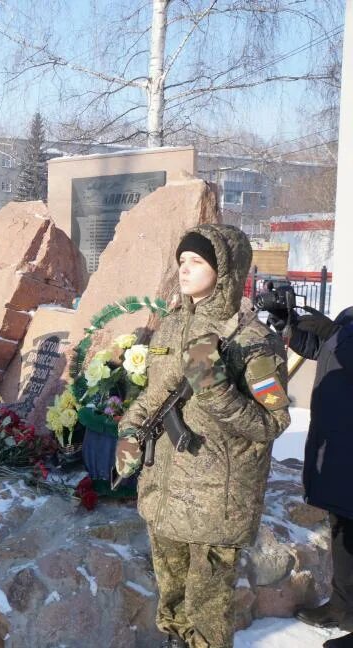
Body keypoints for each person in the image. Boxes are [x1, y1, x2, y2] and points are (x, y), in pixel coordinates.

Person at [114, 224, 291, 648]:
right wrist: (130, 430)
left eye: (196, 262)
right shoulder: (173, 327)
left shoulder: (253, 341)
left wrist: (215, 392)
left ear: (225, 269)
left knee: (207, 613)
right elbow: (156, 394)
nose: (185, 270)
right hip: (164, 493)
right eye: (181, 262)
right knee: (171, 603)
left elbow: (273, 423)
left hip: (217, 505)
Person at [274, 306, 353, 647]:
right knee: (343, 531)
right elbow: (327, 352)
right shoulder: (349, 317)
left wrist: (335, 331)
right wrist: (292, 328)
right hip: (339, 442)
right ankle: (343, 607)